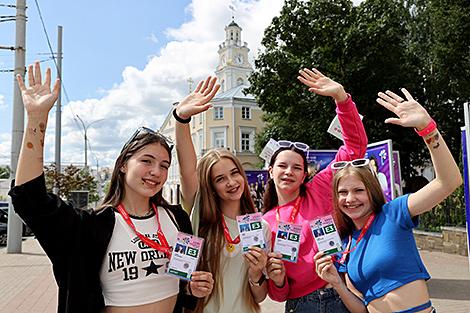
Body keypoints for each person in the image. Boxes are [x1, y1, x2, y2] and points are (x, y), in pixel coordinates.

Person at [8, 62, 214, 313]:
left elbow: (184, 286)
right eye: (146, 161)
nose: (156, 172)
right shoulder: (93, 225)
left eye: (164, 165)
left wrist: (192, 288)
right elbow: (30, 200)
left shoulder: (177, 219)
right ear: (123, 165)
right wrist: (37, 119)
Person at [315, 88, 462, 313]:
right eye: (342, 193)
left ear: (372, 190)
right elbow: (361, 309)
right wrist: (336, 283)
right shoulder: (346, 243)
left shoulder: (394, 213)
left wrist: (427, 129)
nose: (350, 198)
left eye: (358, 190)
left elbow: (448, 181)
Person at [263, 67, 368, 313]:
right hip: (301, 305)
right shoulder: (265, 222)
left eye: (296, 167)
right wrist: (276, 280)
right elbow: (278, 294)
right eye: (282, 166)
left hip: (340, 294)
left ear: (304, 175)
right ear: (270, 172)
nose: (289, 172)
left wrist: (342, 99)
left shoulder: (318, 189)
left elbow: (355, 149)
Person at [174, 76, 272, 313]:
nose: (231, 183)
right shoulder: (198, 218)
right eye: (220, 179)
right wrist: (182, 119)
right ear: (210, 186)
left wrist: (257, 273)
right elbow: (187, 168)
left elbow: (259, 296)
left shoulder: (260, 226)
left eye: (234, 173)